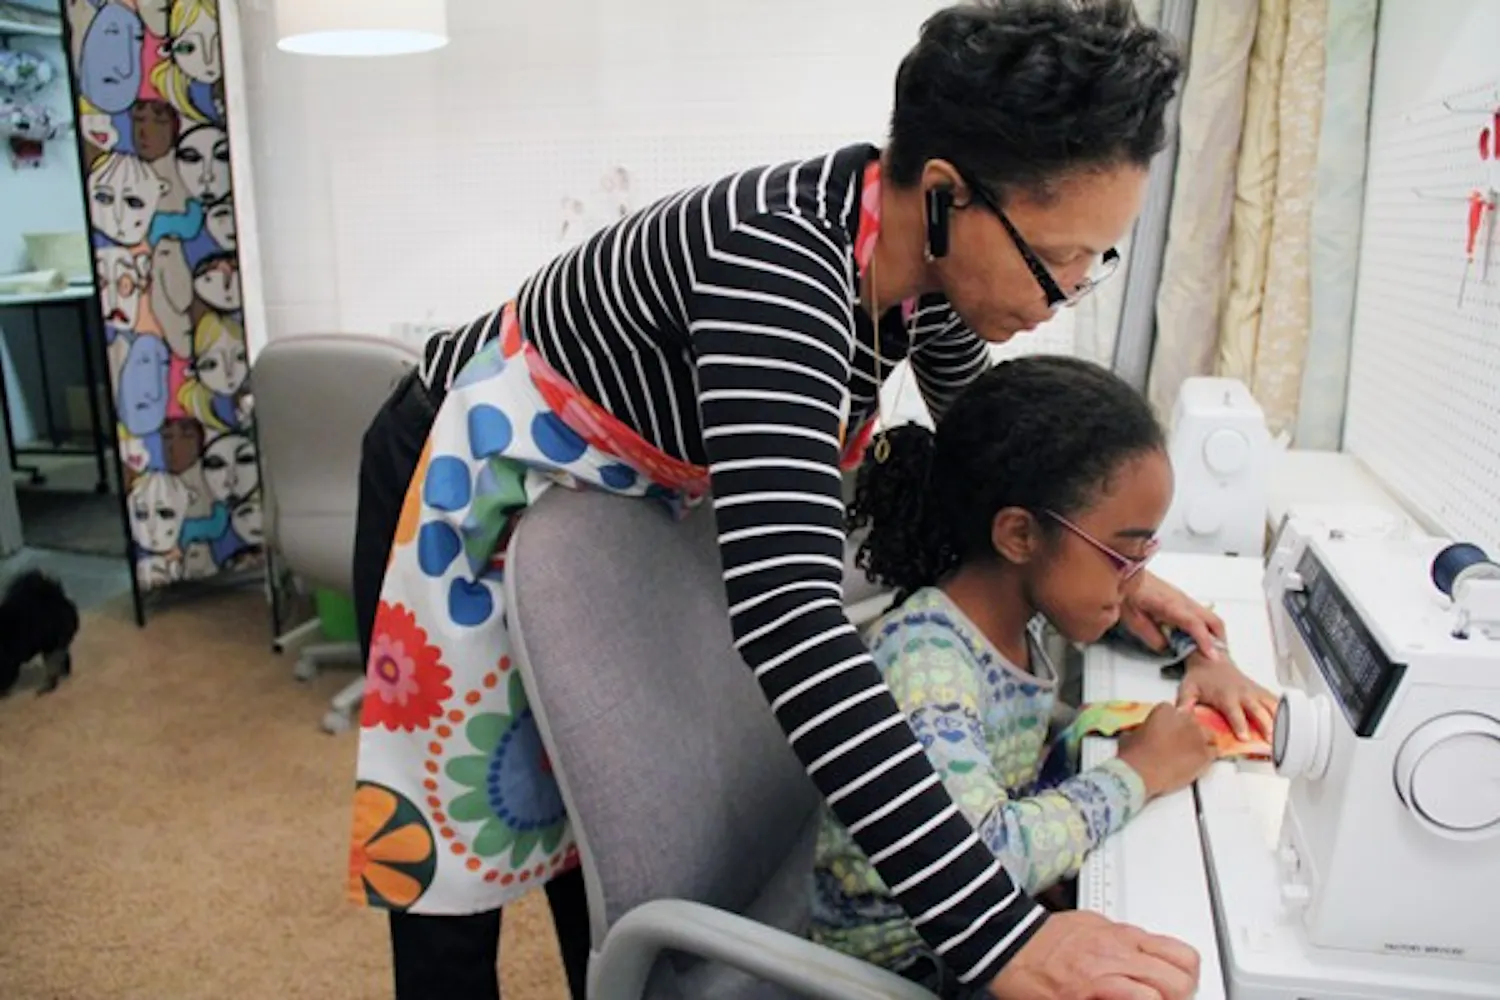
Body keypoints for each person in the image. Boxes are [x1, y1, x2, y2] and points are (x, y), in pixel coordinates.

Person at [348, 2, 1224, 997]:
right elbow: (793, 623)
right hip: (468, 468)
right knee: (448, 851)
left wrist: (1119, 568)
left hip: (611, 497)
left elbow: (1001, 457)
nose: (1063, 291)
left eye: (1093, 261)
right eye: (1056, 257)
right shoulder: (776, 266)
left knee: (587, 806)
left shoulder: (926, 269)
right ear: (946, 195)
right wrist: (997, 933)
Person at [810, 357, 1278, 998]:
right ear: (1020, 535)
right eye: (1124, 554)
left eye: (1145, 553)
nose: (1137, 581)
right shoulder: (927, 664)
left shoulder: (1010, 603)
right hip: (906, 966)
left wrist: (1206, 657)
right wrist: (1138, 773)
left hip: (978, 931)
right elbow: (980, 859)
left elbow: (1138, 616)